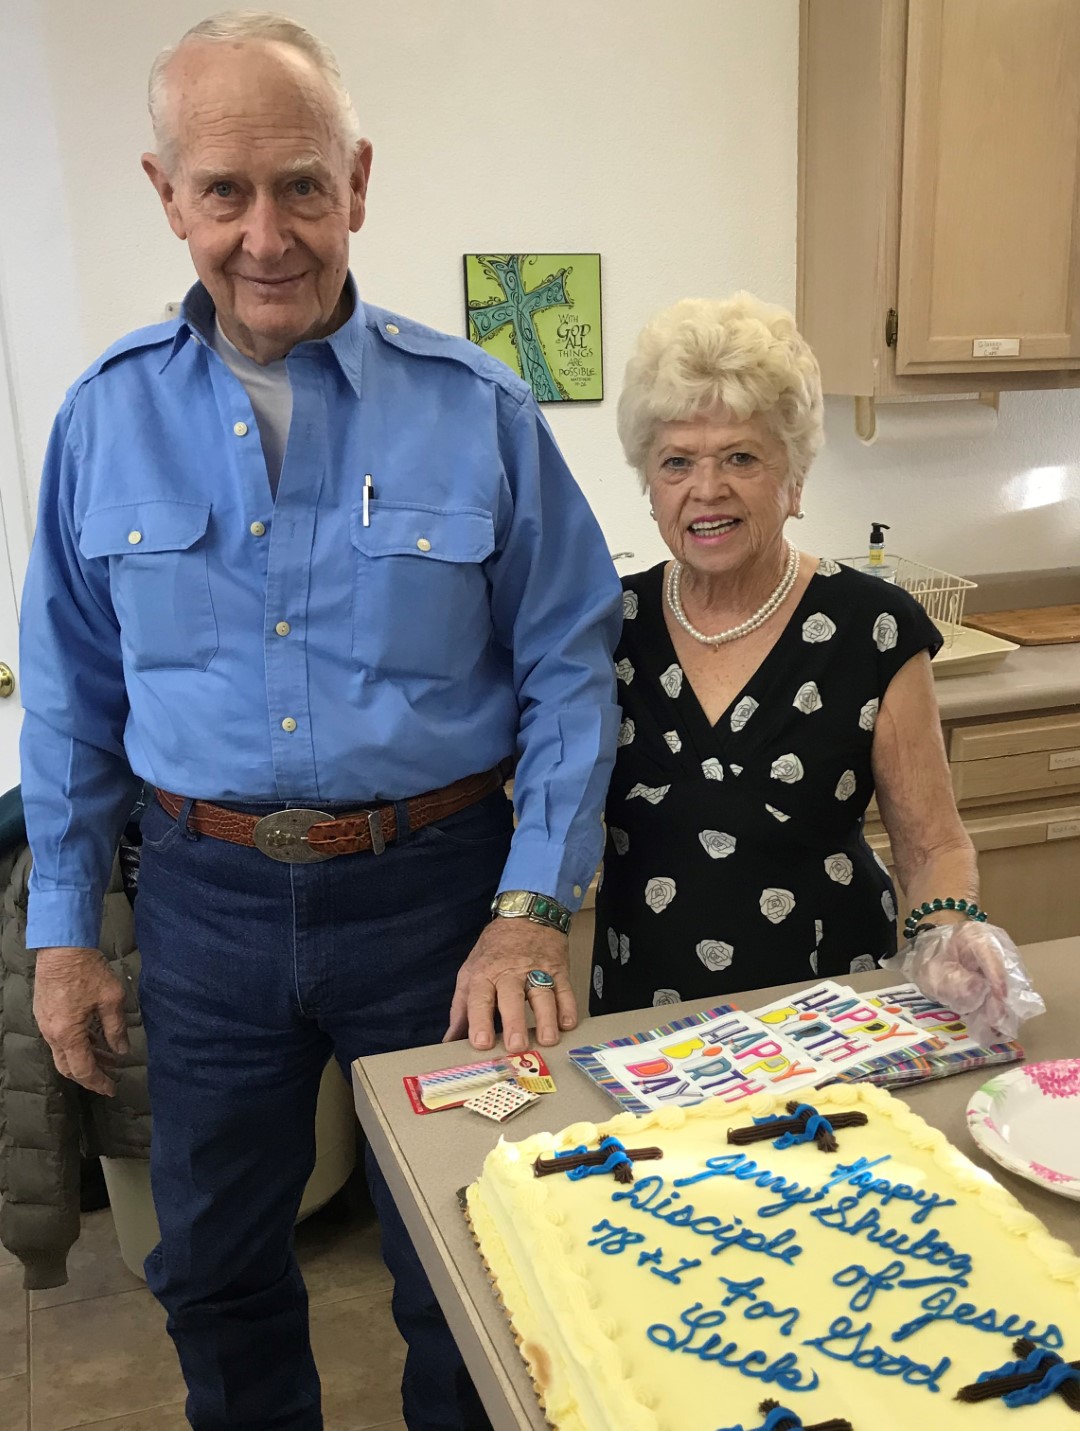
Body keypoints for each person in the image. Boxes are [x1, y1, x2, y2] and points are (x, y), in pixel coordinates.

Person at [20, 13, 621, 1431]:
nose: (265, 233)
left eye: (300, 185)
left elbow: (570, 664)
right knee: (212, 1262)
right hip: (205, 905)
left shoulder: (478, 408)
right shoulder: (102, 418)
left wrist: (534, 906)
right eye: (223, 191)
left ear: (357, 181)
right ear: (167, 194)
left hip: (438, 904)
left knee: (468, 1252)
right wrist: (65, 932)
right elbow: (71, 695)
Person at [591, 293, 1008, 1015]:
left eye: (741, 457)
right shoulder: (608, 624)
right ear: (650, 486)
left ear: (795, 479)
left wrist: (948, 935)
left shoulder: (874, 627)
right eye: (677, 462)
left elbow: (933, 845)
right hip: (646, 1015)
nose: (707, 489)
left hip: (830, 1004)